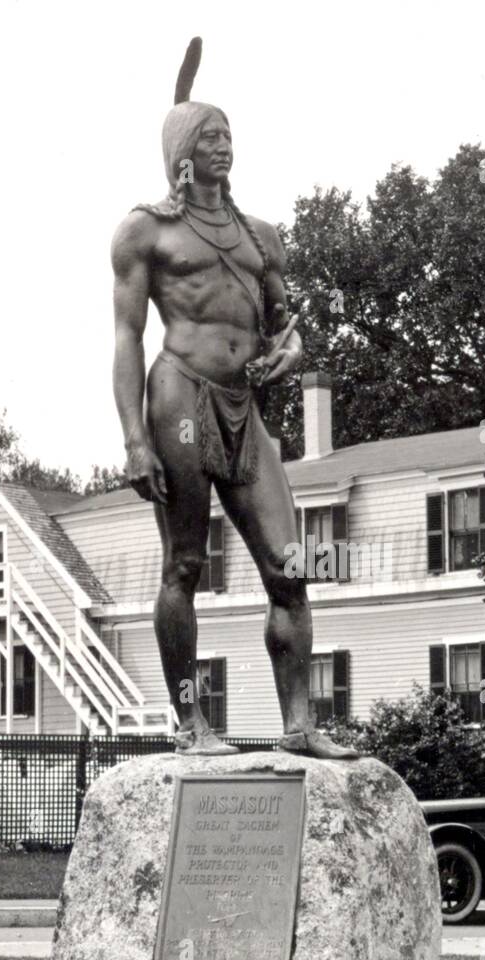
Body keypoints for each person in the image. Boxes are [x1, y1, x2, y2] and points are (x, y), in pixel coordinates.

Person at [111, 38, 356, 759]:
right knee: (184, 564)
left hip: (243, 405)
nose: (225, 146)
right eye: (210, 136)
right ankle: (191, 724)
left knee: (290, 565)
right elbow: (126, 335)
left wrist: (294, 349)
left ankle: (300, 726)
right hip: (178, 394)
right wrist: (132, 437)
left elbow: (287, 323)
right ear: (182, 151)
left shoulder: (260, 236)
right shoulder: (145, 230)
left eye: (228, 135)